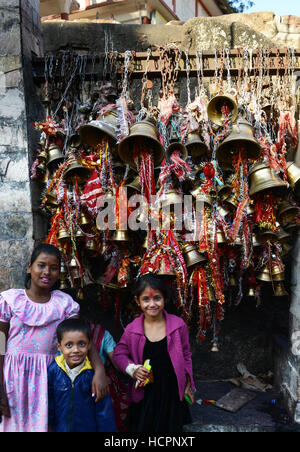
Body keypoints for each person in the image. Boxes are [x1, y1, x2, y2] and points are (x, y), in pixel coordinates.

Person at [0, 243, 108, 432]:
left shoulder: (63, 304)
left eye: (54, 268)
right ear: (29, 267)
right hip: (13, 380)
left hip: (49, 380)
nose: (47, 272)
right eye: (41, 265)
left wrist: (99, 370)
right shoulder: (11, 300)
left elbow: (80, 335)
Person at [113, 273, 195, 432]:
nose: (152, 304)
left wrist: (187, 383)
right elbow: (119, 354)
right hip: (146, 392)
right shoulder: (132, 330)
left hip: (171, 391)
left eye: (157, 298)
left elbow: (186, 355)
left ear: (164, 299)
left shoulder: (178, 326)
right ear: (137, 301)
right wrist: (133, 369)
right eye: (146, 299)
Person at [48, 318, 116, 432]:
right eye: (69, 345)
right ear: (59, 347)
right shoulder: (53, 371)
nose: (76, 350)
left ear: (89, 345)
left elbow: (104, 413)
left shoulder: (93, 377)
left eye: (81, 344)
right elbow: (49, 405)